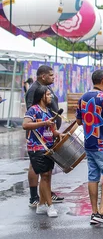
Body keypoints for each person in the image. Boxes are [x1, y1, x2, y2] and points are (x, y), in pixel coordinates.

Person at [76, 70, 103, 225]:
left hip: (89, 142)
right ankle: (102, 211)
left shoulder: (83, 98)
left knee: (93, 177)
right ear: (102, 80)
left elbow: (79, 121)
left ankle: (94, 212)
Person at [25, 65, 64, 207]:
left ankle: (46, 193)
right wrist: (44, 124)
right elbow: (30, 114)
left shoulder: (46, 87)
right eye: (51, 75)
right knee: (35, 166)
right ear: (43, 76)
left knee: (47, 168)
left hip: (49, 134)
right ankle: (34, 197)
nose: (54, 78)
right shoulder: (34, 90)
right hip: (38, 136)